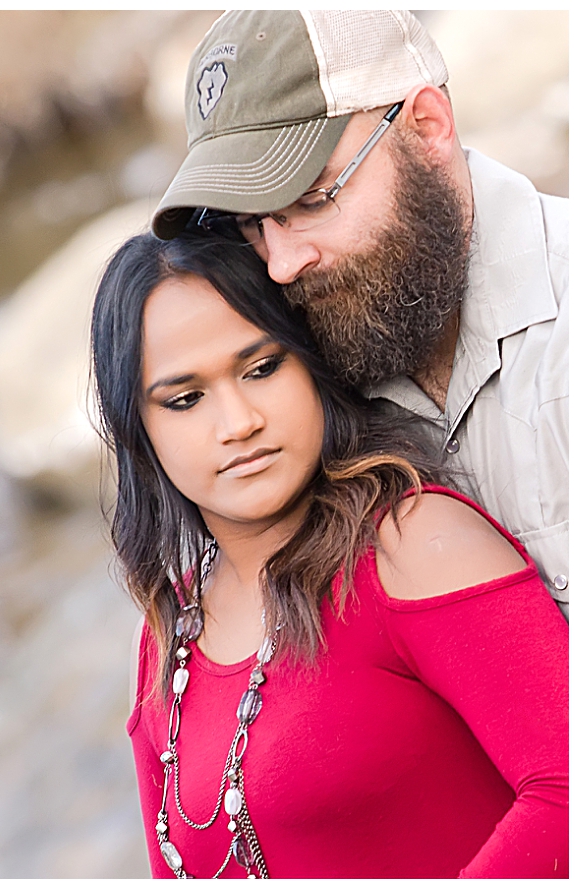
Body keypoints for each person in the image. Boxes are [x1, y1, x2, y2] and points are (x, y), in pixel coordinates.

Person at [89, 231, 567, 878]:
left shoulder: (411, 542)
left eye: (261, 368)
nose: (237, 422)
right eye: (184, 398)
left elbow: (563, 792)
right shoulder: (166, 636)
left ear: (310, 362)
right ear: (137, 430)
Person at [151, 10, 568, 616]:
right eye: (249, 223)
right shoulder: (297, 373)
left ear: (427, 128)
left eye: (313, 198)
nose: (281, 264)